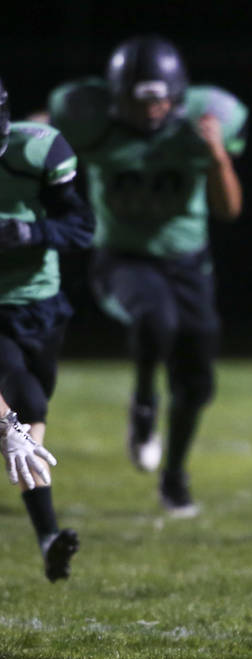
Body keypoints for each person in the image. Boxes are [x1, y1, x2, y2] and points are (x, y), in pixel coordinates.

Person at [43, 35, 248, 516]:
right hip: (122, 258)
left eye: (159, 98)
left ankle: (174, 475)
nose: (151, 110)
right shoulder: (89, 119)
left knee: (196, 378)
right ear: (116, 97)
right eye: (139, 100)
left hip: (189, 263)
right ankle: (142, 405)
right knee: (156, 320)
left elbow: (229, 210)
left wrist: (217, 155)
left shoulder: (203, 120)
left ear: (175, 94)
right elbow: (44, 142)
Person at [0, 75, 92, 580]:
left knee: (32, 416)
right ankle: (49, 534)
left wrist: (30, 231)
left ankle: (46, 538)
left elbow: (81, 229)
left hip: (41, 304)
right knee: (25, 404)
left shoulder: (37, 150)